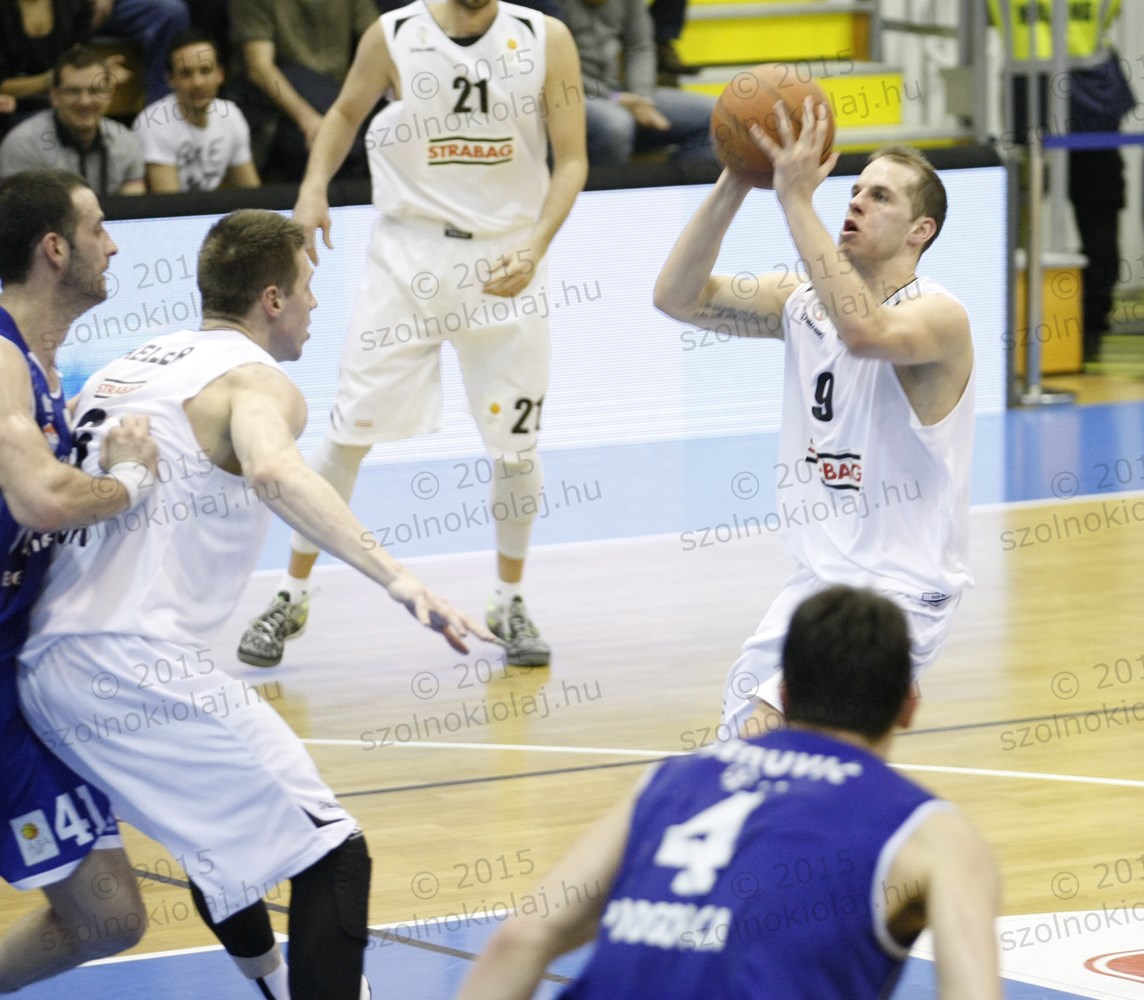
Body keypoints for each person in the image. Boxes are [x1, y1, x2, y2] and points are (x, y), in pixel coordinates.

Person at [17, 209, 494, 1000]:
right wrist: (397, 577)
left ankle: (274, 983)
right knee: (332, 849)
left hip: (47, 669)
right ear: (272, 299)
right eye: (308, 286)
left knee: (222, 844)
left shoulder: (124, 371)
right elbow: (275, 471)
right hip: (128, 658)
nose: (315, 305)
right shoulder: (255, 379)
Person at [236, 0, 588, 670]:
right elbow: (345, 112)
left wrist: (538, 244)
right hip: (408, 257)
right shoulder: (394, 33)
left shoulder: (548, 38)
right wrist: (313, 186)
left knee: (516, 450)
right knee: (348, 434)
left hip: (508, 258)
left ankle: (508, 600)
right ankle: (291, 594)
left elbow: (572, 159)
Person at [455, 585, 1002, 1000]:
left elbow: (520, 938)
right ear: (909, 704)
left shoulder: (669, 781)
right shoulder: (932, 832)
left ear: (784, 691)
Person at [654, 106, 974, 737]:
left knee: (775, 727)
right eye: (855, 190)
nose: (856, 201)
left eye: (880, 197)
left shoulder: (940, 317)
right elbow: (676, 297)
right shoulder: (799, 302)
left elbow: (865, 332)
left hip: (900, 592)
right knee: (741, 741)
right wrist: (737, 178)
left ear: (921, 230)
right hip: (818, 583)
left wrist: (795, 199)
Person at [0, 169, 155, 992]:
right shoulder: (0, 358)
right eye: (99, 227)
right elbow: (42, 499)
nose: (114, 244)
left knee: (107, 916)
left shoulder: (52, 371)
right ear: (55, 249)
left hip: (15, 675)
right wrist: (128, 482)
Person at [992, 0, 1132, 364]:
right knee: (1076, 219)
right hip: (1077, 97)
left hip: (1042, 97)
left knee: (1090, 220)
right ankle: (1082, 328)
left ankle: (1083, 326)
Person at [230, 0, 379, 182]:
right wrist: (309, 121)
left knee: (374, 132)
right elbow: (259, 69)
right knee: (329, 143)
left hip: (337, 91)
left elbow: (379, 40)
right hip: (281, 100)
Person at [557, 0, 715, 166]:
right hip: (569, 96)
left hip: (620, 91)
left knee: (717, 116)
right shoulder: (550, 6)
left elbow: (640, 47)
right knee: (616, 125)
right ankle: (603, 183)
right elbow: (555, 70)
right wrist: (613, 97)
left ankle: (675, 182)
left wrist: (642, 98)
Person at [0, 47, 145, 196]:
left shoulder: (126, 141)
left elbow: (133, 206)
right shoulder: (23, 144)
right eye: (73, 91)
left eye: (95, 90)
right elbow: (17, 208)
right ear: (54, 95)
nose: (84, 101)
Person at [136, 31, 260, 193]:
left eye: (205, 70)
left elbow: (251, 192)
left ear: (220, 74)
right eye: (186, 73)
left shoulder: (231, 115)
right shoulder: (153, 122)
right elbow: (169, 203)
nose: (198, 82)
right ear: (170, 79)